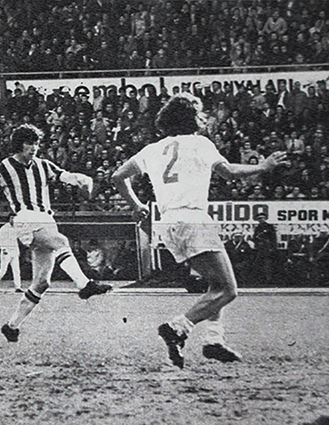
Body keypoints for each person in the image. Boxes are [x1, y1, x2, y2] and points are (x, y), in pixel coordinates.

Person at [112, 92, 288, 368]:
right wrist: (263, 167)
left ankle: (214, 340)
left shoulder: (152, 149)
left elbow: (117, 176)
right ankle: (177, 327)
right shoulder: (200, 143)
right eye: (199, 111)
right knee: (228, 290)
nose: (203, 116)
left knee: (214, 283)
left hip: (167, 223)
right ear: (192, 117)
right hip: (193, 219)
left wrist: (137, 205)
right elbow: (228, 172)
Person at [0, 124, 112, 343]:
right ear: (19, 145)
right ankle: (85, 285)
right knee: (61, 241)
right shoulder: (4, 168)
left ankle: (11, 326)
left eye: (36, 143)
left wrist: (83, 179)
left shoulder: (43, 165)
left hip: (46, 219)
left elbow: (66, 176)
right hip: (24, 217)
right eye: (29, 143)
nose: (34, 148)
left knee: (42, 282)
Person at [0, 217, 22, 293]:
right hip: (7, 251)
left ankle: (18, 287)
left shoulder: (17, 228)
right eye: (12, 218)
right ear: (9, 219)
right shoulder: (4, 228)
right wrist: (4, 249)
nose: (13, 220)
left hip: (14, 251)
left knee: (16, 270)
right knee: (3, 270)